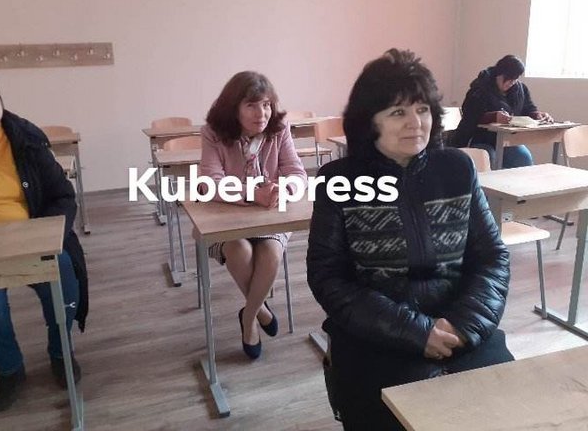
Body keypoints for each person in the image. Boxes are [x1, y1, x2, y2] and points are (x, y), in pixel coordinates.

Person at [307, 49, 513, 430]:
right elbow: (328, 278)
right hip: (377, 336)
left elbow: (492, 258)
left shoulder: (458, 168)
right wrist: (416, 333)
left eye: (422, 109)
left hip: (461, 328)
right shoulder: (338, 181)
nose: (415, 123)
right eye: (398, 112)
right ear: (369, 121)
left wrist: (462, 326)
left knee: (502, 414)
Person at [0, 67, 88, 412]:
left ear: (0, 103)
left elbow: (63, 195)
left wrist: (47, 235)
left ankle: (60, 351)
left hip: (35, 239)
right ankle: (9, 367)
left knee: (65, 287)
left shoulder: (26, 139)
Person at [200, 71, 306, 359]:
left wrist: (284, 189)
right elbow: (210, 183)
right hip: (226, 217)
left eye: (267, 104)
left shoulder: (279, 129)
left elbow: (297, 173)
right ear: (233, 108)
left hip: (269, 216)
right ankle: (260, 310)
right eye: (251, 105)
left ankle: (248, 318)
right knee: (239, 250)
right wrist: (252, 194)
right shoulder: (213, 132)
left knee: (271, 251)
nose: (262, 113)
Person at [451, 54, 553, 168]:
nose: (511, 83)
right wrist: (494, 117)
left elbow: (528, 108)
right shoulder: (480, 88)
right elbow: (470, 115)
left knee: (523, 158)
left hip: (507, 140)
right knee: (489, 158)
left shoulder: (520, 89)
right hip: (481, 139)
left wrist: (538, 115)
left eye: (514, 79)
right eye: (508, 78)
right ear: (499, 73)